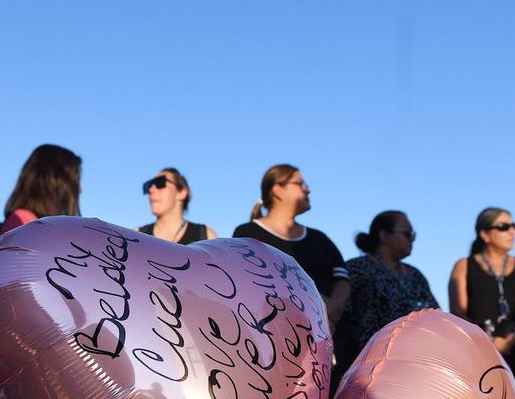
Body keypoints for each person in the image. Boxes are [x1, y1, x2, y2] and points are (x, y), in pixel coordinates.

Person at [448, 207, 515, 399]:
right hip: (480, 352)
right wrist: (488, 342)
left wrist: (512, 338)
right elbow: (458, 313)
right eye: (503, 226)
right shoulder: (464, 266)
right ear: (484, 233)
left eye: (513, 226)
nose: (512, 231)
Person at [232, 164, 349, 329]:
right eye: (299, 184)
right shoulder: (248, 233)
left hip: (324, 334)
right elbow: (247, 281)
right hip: (271, 333)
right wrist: (313, 302)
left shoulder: (320, 239)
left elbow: (342, 279)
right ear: (278, 190)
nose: (307, 190)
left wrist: (333, 309)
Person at [333, 210, 437, 385]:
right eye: (406, 233)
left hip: (410, 367)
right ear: (384, 235)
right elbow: (342, 320)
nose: (411, 239)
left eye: (413, 235)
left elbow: (434, 316)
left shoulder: (415, 275)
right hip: (364, 368)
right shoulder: (357, 269)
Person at [0, 144, 81, 234]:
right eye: (76, 182)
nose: (80, 189)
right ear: (54, 184)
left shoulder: (30, 224)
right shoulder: (22, 223)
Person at [138, 167, 218, 243]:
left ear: (182, 193)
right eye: (148, 186)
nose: (151, 190)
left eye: (160, 182)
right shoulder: (137, 236)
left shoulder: (207, 236)